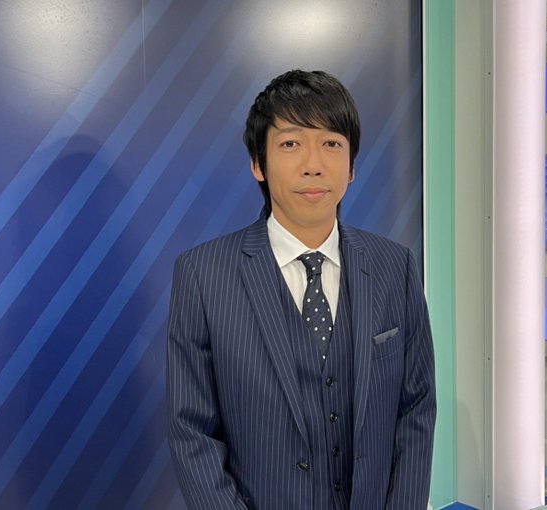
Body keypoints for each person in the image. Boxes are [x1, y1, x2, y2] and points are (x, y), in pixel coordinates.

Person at [167, 69, 435, 509]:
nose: (313, 164)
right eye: (291, 144)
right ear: (258, 164)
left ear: (351, 168)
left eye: (331, 144)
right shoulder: (202, 274)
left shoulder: (395, 267)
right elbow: (191, 429)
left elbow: (416, 408)